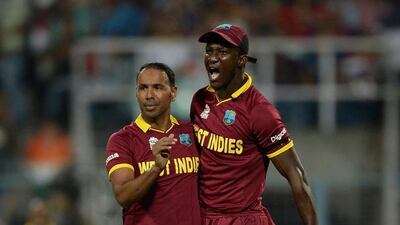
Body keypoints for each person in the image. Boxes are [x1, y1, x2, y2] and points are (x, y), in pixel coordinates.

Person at [190, 24, 318, 225]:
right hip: (203, 217)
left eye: (222, 52)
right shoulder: (200, 99)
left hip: (242, 219)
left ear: (241, 60)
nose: (212, 58)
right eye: (209, 51)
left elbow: (297, 176)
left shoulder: (259, 111)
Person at [105, 62, 201, 225]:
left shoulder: (192, 132)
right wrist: (156, 168)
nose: (149, 95)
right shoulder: (122, 140)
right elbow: (122, 196)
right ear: (136, 93)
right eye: (143, 88)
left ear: (173, 92)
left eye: (157, 87)